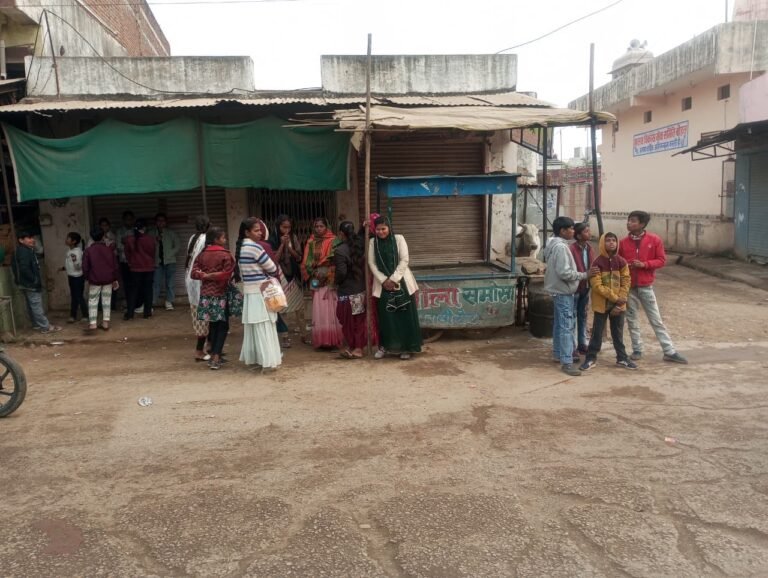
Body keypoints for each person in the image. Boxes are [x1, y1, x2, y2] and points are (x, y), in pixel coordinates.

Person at [618, 210, 688, 364]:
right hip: (629, 287)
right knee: (631, 319)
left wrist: (644, 265)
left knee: (656, 319)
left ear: (642, 224)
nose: (629, 223)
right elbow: (619, 262)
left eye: (633, 221)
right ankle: (637, 349)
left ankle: (669, 351)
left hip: (645, 286)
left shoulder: (654, 240)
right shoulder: (623, 242)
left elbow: (661, 260)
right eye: (629, 220)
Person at [579, 233, 636, 371]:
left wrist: (620, 301)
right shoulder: (597, 262)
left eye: (614, 240)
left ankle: (622, 358)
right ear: (602, 244)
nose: (611, 243)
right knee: (597, 333)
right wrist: (616, 298)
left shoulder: (621, 262)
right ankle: (591, 358)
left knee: (618, 333)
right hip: (602, 304)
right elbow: (597, 286)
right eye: (608, 240)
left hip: (618, 304)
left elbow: (626, 281)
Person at [368, 215, 422, 360]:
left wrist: (393, 279)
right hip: (382, 285)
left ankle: (407, 348)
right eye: (378, 229)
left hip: (402, 282)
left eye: (383, 229)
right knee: (386, 317)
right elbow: (371, 263)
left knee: (404, 316)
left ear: (389, 228)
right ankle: (384, 347)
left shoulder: (399, 239)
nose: (380, 232)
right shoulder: (373, 242)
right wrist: (383, 280)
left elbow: (404, 259)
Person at [543, 216, 588, 376]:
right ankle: (567, 361)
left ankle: (558, 354)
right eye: (570, 228)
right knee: (566, 326)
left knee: (559, 324)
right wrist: (583, 275)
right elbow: (564, 272)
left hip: (558, 290)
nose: (573, 231)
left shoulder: (553, 244)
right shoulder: (561, 247)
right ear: (563, 231)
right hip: (563, 290)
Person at [237, 217, 282, 371]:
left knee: (254, 328)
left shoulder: (240, 247)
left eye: (260, 230)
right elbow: (272, 268)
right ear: (247, 232)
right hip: (260, 292)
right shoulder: (255, 248)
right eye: (256, 230)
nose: (260, 233)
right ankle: (268, 361)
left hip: (249, 293)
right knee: (265, 326)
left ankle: (258, 359)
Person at [191, 227, 236, 370]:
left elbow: (193, 273)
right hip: (221, 294)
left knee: (213, 324)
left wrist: (205, 276)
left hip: (206, 295)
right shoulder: (225, 254)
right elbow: (227, 274)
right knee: (223, 326)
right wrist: (214, 276)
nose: (225, 240)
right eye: (223, 238)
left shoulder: (202, 255)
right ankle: (216, 357)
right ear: (216, 239)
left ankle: (214, 353)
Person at [301, 217, 343, 349]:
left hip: (330, 275)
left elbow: (335, 256)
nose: (319, 229)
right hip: (316, 276)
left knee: (332, 305)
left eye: (321, 226)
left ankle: (334, 339)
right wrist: (313, 269)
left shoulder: (334, 240)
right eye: (317, 226)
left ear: (327, 227)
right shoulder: (311, 242)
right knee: (319, 306)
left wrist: (322, 263)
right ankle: (322, 339)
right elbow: (306, 261)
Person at [12, 230, 61, 334]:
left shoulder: (22, 250)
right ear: (21, 240)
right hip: (30, 284)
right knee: (36, 305)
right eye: (29, 238)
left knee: (31, 305)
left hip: (24, 283)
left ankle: (36, 324)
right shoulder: (24, 252)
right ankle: (45, 327)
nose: (32, 240)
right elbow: (24, 268)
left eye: (32, 237)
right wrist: (34, 279)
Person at [334, 221, 368, 358]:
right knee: (358, 320)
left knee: (347, 320)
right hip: (360, 289)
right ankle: (358, 348)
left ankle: (351, 346)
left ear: (341, 234)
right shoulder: (360, 245)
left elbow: (341, 272)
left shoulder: (340, 250)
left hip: (346, 292)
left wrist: (336, 282)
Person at [271, 214, 304, 348]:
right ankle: (285, 336)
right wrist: (281, 245)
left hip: (293, 274)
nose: (287, 230)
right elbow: (273, 259)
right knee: (281, 308)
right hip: (280, 275)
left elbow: (298, 257)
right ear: (278, 227)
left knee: (299, 306)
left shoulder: (294, 238)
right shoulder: (272, 239)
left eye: (289, 227)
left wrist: (288, 247)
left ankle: (303, 334)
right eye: (284, 227)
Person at [185, 215, 211, 362]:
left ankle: (209, 347)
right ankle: (199, 351)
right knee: (204, 317)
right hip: (200, 282)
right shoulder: (205, 239)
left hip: (191, 280)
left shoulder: (193, 238)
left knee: (201, 316)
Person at [83, 227, 119, 331]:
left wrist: (87, 277)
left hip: (94, 279)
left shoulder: (88, 251)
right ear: (103, 236)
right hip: (108, 279)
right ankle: (105, 323)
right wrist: (115, 278)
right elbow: (115, 265)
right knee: (106, 300)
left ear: (92, 238)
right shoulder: (109, 250)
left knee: (93, 300)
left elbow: (85, 267)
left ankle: (93, 323)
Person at [569, 222, 595, 355]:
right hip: (575, 287)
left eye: (589, 231)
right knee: (572, 316)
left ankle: (582, 343)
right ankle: (572, 346)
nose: (589, 233)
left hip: (586, 286)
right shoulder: (571, 249)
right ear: (578, 235)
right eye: (586, 231)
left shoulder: (589, 248)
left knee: (582, 315)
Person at [123, 219, 156, 320]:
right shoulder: (150, 239)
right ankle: (147, 313)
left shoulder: (129, 239)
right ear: (145, 228)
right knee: (148, 290)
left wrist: (131, 262)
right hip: (148, 268)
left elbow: (127, 254)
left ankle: (130, 314)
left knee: (133, 291)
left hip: (135, 269)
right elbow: (152, 253)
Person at [152, 213, 179, 311]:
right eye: (158, 220)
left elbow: (177, 246)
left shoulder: (171, 233)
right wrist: (155, 240)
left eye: (163, 220)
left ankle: (169, 301)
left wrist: (170, 254)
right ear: (155, 222)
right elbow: (147, 245)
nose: (161, 222)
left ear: (166, 222)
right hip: (157, 261)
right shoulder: (151, 233)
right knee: (156, 283)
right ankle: (152, 302)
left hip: (170, 261)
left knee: (170, 283)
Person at [61, 232, 88, 324]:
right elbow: (71, 264)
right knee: (74, 296)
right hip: (72, 276)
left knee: (78, 296)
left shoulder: (76, 252)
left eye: (68, 238)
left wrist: (74, 260)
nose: (66, 240)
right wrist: (64, 268)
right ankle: (73, 315)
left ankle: (85, 315)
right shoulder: (70, 251)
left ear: (74, 241)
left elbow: (78, 266)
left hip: (77, 277)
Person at [115, 211, 135, 311]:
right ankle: (128, 303)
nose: (129, 221)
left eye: (130, 219)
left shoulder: (136, 231)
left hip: (135, 262)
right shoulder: (119, 231)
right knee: (126, 283)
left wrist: (125, 242)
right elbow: (118, 246)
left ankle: (136, 303)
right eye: (127, 219)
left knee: (135, 283)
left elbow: (137, 247)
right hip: (124, 261)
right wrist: (129, 244)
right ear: (123, 220)